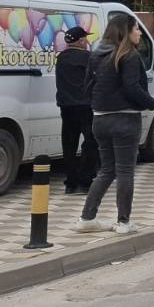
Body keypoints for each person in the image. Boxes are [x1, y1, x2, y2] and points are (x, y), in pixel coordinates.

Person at [76, 14, 154, 235]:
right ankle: (124, 222)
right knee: (125, 171)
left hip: (100, 118)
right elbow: (132, 89)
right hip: (125, 119)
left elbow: (88, 87)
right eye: (136, 29)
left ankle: (87, 218)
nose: (139, 33)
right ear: (125, 32)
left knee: (107, 170)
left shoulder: (96, 55)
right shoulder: (130, 56)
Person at [53, 25, 96, 194]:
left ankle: (71, 183)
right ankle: (86, 180)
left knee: (69, 145)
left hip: (66, 107)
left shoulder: (61, 58)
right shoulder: (88, 57)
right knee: (91, 142)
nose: (87, 41)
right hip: (86, 106)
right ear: (81, 40)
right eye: (86, 38)